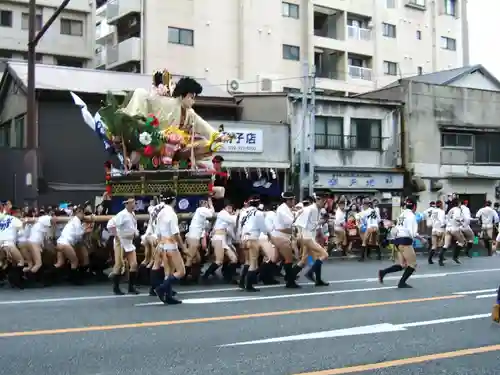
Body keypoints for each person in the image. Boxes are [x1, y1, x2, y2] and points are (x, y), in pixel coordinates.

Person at [378, 197, 419, 288]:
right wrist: (421, 238)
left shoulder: (402, 214)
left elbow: (396, 229)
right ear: (415, 206)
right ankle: (401, 283)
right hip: (405, 241)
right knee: (412, 264)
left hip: (397, 240)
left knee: (403, 265)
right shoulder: (411, 216)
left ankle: (383, 272)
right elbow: (412, 232)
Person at [154, 190, 186, 305]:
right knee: (181, 271)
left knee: (169, 272)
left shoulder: (160, 213)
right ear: (174, 200)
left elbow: (157, 232)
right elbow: (175, 233)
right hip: (171, 245)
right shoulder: (171, 214)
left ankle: (168, 296)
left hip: (162, 244)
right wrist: (183, 248)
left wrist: (160, 245)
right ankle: (161, 288)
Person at [108, 198, 140, 295]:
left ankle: (131, 287)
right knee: (119, 265)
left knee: (134, 264)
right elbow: (110, 225)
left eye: (134, 202)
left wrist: (135, 233)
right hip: (121, 242)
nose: (134, 204)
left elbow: (133, 228)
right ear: (127, 204)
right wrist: (117, 236)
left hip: (129, 242)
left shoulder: (132, 214)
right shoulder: (122, 214)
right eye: (132, 203)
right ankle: (116, 287)